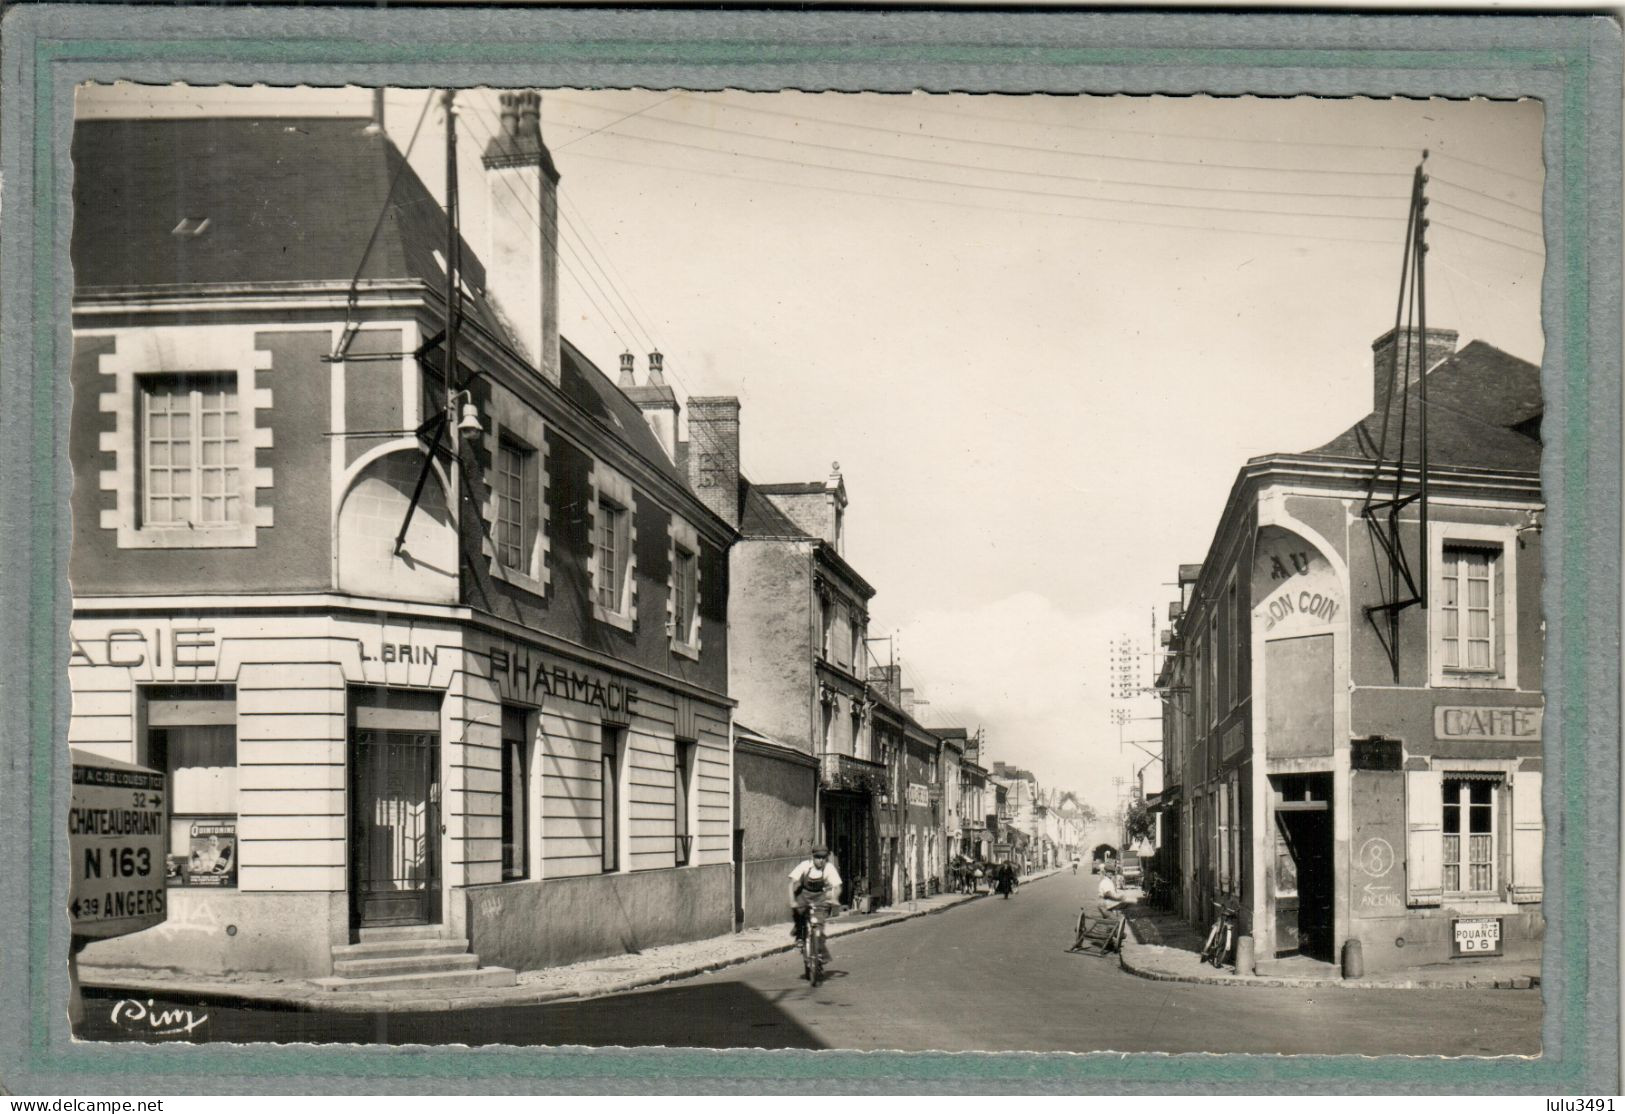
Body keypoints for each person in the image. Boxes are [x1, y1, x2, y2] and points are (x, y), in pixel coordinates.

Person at [788, 845, 841, 973]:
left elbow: (837, 886)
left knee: (819, 926)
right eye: (818, 857)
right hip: (804, 895)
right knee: (799, 913)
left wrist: (834, 898)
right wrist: (792, 900)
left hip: (820, 897)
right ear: (813, 857)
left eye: (823, 858)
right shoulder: (805, 865)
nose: (821, 860)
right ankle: (800, 937)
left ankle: (820, 954)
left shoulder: (829, 868)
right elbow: (791, 883)